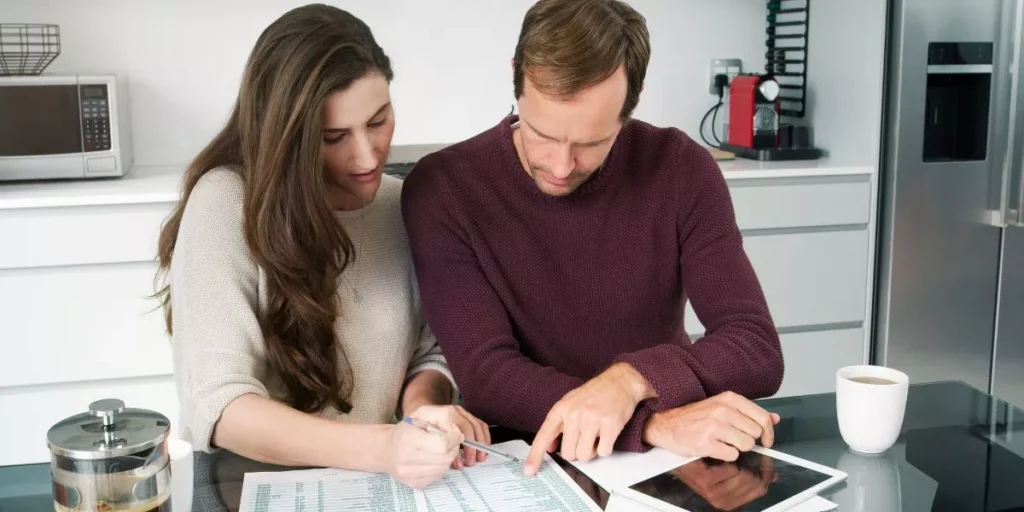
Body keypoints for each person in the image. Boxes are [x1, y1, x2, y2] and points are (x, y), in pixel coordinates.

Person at [400, 0, 784, 477]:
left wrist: (630, 380)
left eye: (591, 143)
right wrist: (649, 423)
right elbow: (486, 375)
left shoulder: (681, 168)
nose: (561, 167)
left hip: (667, 463)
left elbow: (755, 347)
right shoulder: (444, 188)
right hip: (527, 459)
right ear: (516, 76)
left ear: (632, 102)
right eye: (542, 134)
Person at [153, 4, 490, 489]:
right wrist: (383, 447)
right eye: (333, 137)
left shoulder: (404, 204)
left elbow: (429, 352)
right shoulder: (226, 201)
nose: (368, 156)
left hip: (371, 484)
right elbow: (219, 405)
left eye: (378, 121)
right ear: (285, 138)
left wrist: (425, 410)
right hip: (243, 486)